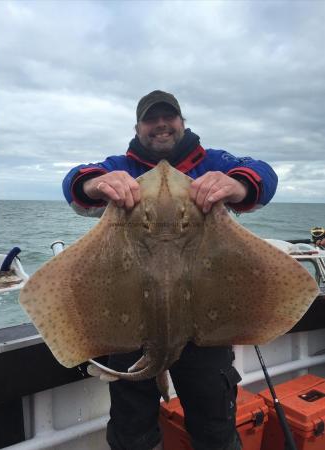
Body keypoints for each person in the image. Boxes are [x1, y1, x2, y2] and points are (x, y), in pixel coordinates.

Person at [63, 90, 278, 450]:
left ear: (182, 122)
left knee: (215, 429)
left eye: (169, 118)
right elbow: (76, 179)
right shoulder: (122, 166)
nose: (161, 125)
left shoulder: (213, 162)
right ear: (137, 127)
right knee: (132, 432)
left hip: (204, 329)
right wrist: (94, 183)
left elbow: (264, 174)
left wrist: (238, 184)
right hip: (130, 324)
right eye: (151, 119)